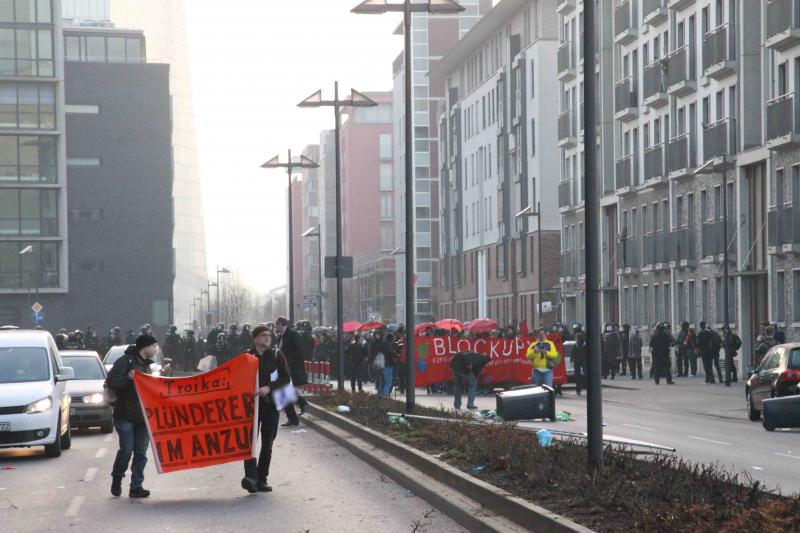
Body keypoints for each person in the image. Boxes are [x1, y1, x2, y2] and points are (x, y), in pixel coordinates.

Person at [106, 334, 159, 498]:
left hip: (143, 417)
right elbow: (111, 381)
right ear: (146, 347)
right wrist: (128, 378)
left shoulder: (147, 366)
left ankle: (136, 486)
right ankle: (117, 477)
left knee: (141, 453)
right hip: (125, 415)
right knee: (127, 450)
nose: (156, 349)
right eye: (154, 346)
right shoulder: (125, 362)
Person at [241, 324, 290, 494]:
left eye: (269, 335)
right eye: (263, 335)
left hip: (270, 405)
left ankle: (262, 479)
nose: (267, 337)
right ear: (255, 338)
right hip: (251, 407)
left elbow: (285, 378)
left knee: (267, 444)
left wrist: (269, 388)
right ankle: (251, 478)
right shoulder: (246, 357)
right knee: (249, 444)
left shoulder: (276, 355)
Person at [275, 317, 308, 427]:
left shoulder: (292, 334)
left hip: (292, 368)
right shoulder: (281, 336)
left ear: (281, 324)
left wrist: (290, 362)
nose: (276, 327)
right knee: (284, 392)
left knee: (284, 390)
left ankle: (302, 405)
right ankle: (293, 417)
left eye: (277, 325)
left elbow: (299, 351)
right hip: (283, 368)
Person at [572, 323, 587, 394]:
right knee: (579, 376)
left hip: (581, 361)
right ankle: (578, 390)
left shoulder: (580, 345)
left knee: (582, 375)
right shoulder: (576, 346)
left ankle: (579, 389)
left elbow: (573, 353)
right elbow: (573, 353)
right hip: (579, 362)